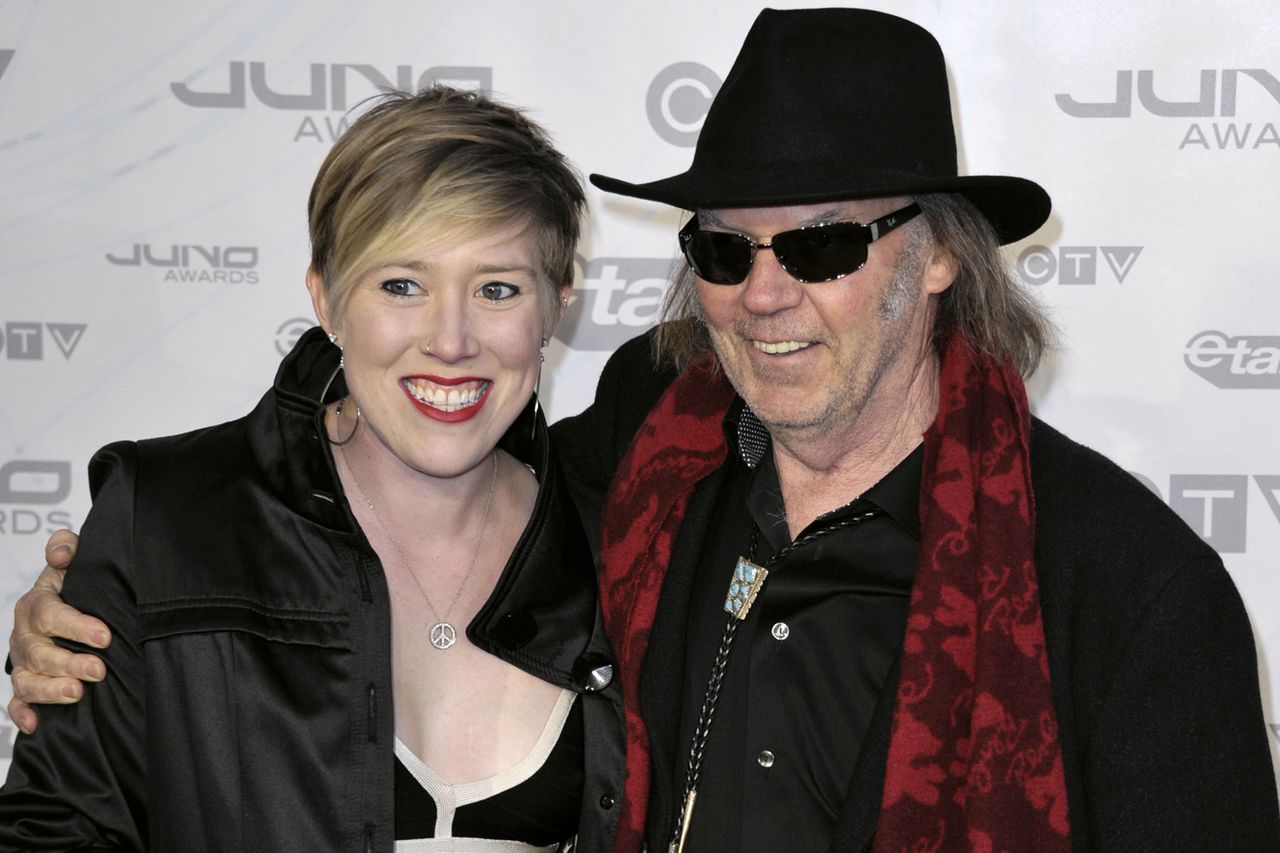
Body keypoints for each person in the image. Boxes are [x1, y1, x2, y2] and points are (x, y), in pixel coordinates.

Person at [10, 8, 1280, 853]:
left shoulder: (1124, 589)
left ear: (939, 253)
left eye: (824, 243)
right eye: (723, 248)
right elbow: (385, 470)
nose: (763, 295)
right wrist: (127, 582)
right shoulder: (639, 463)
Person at [0, 86, 624, 851]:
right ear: (325, 300)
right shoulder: (170, 522)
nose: (451, 339)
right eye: (402, 284)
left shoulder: (626, 539)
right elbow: (54, 833)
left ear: (557, 305)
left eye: (497, 288)